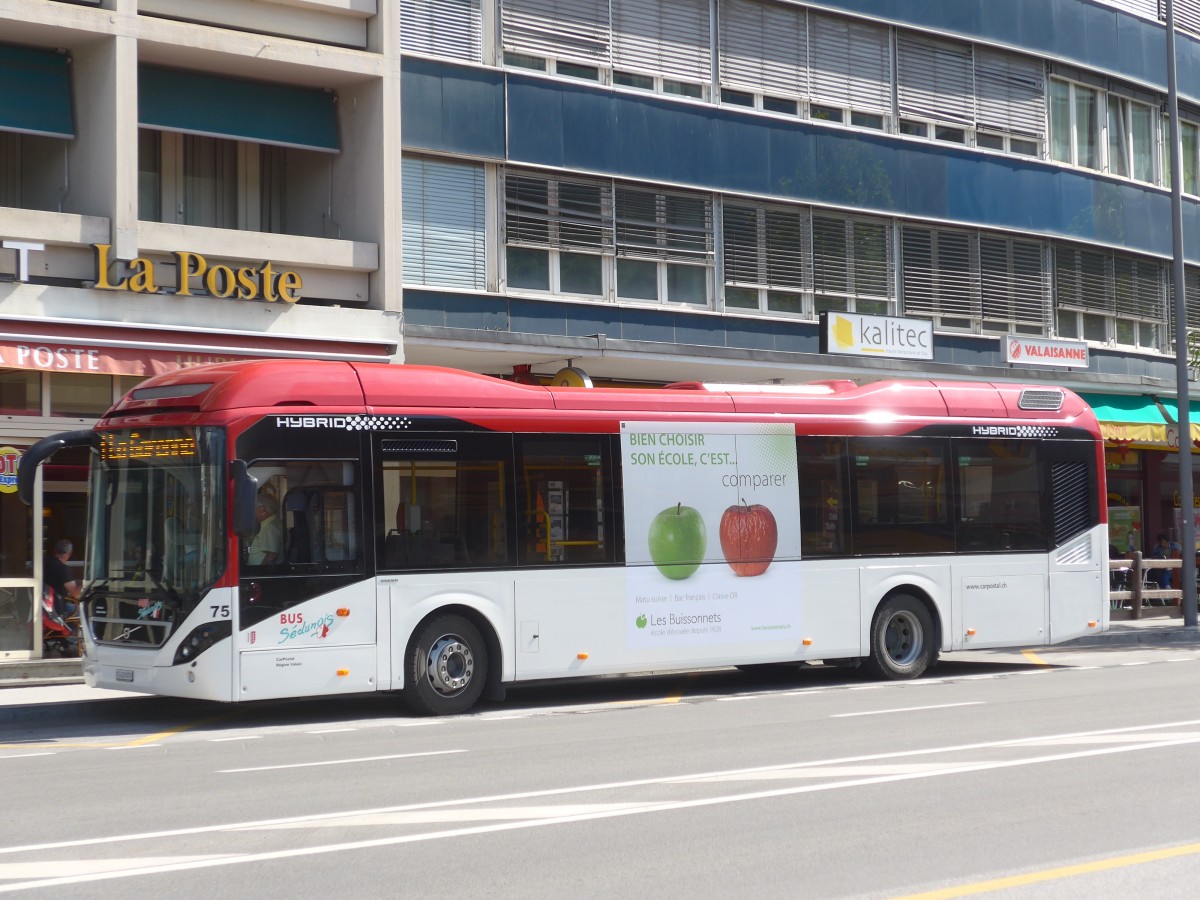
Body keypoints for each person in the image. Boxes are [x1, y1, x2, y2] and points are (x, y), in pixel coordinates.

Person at [43, 538, 80, 618]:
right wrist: (82, 584)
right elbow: (75, 593)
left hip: (41, 606)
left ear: (55, 551)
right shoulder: (63, 569)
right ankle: (72, 630)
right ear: (70, 553)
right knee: (82, 611)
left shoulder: (43, 563)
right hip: (56, 608)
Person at [248, 492, 283, 566]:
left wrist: (260, 574)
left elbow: (271, 556)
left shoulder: (270, 528)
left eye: (254, 507)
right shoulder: (272, 524)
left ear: (262, 509)